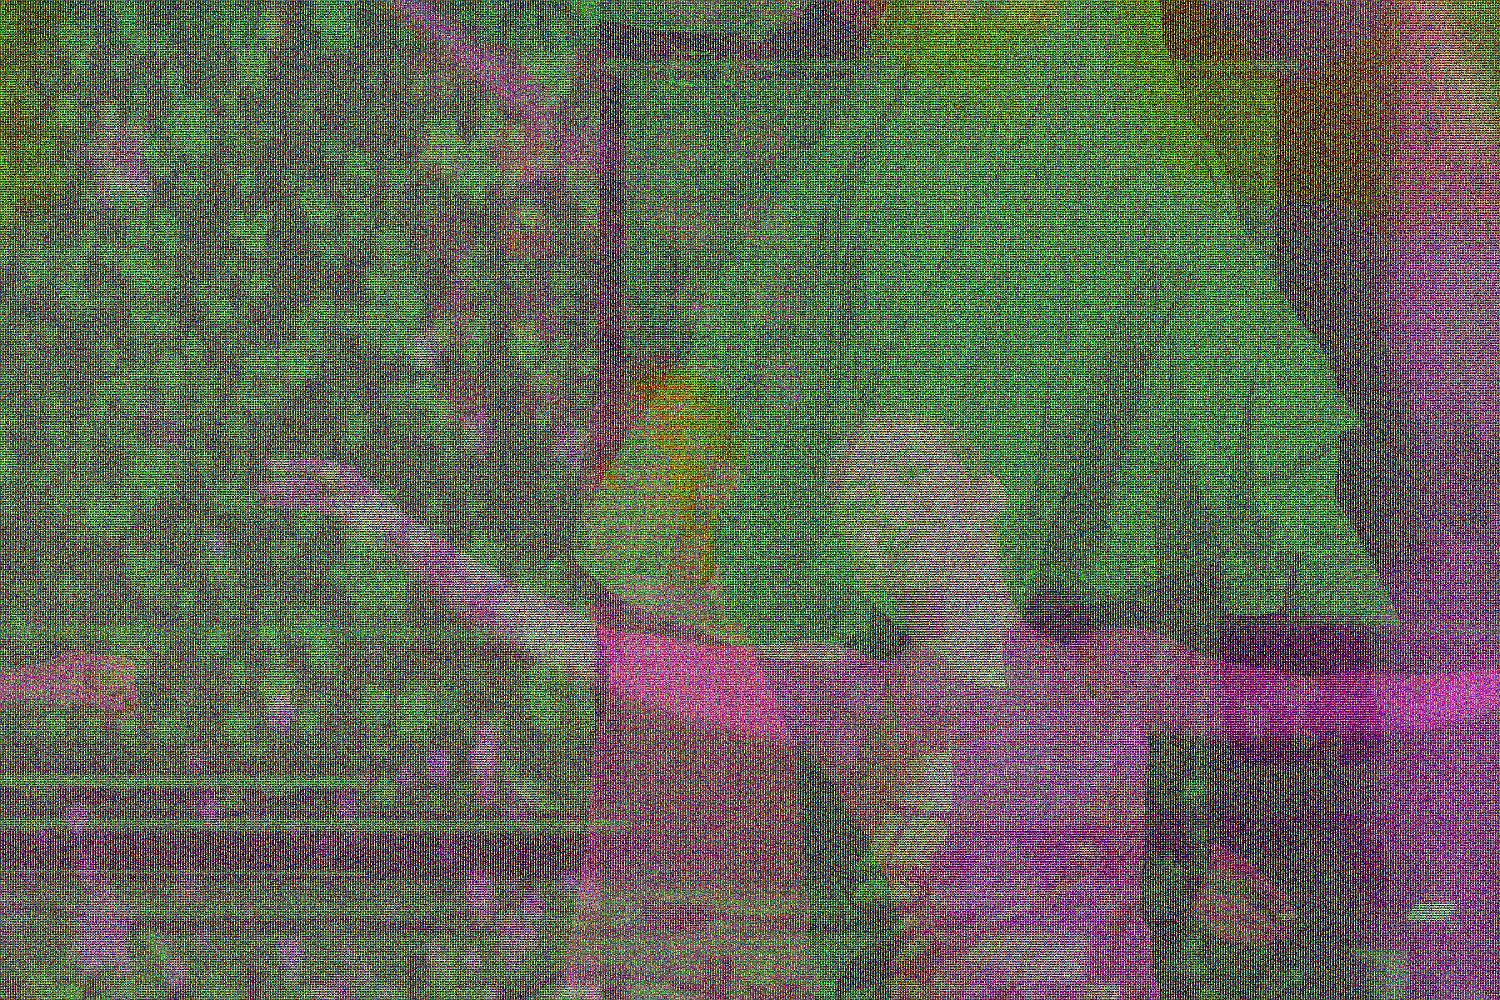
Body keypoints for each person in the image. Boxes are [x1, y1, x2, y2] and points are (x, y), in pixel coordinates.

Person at [251, 403, 1500, 997]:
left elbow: (1326, 707)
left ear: (987, 492)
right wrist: (394, 528)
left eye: (905, 474)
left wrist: (1483, 685)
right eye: (858, 506)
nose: (885, 510)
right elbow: (588, 649)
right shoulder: (843, 696)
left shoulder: (1114, 673)